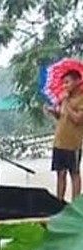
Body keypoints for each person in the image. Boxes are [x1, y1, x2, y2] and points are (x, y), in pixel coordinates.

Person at [48, 69, 83, 201]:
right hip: (59, 141)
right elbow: (63, 118)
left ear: (77, 81)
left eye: (67, 82)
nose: (65, 86)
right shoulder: (64, 99)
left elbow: (77, 119)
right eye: (64, 83)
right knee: (60, 173)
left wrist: (66, 103)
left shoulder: (80, 99)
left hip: (73, 144)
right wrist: (54, 112)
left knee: (74, 173)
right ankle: (59, 201)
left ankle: (76, 204)